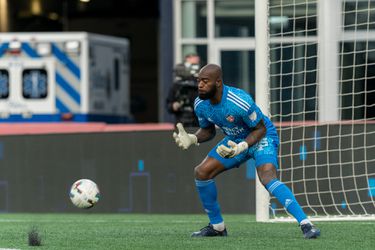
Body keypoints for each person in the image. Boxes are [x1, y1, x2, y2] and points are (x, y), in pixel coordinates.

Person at [172, 64, 321, 239]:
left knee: (267, 177)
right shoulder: (200, 104)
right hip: (234, 139)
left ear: (218, 82)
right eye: (199, 81)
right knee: (201, 172)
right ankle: (217, 227)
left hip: (261, 136)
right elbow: (208, 130)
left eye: (205, 81)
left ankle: (306, 225)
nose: (200, 85)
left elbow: (260, 129)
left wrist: (242, 146)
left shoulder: (239, 101)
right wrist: (193, 138)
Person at [166, 54, 200, 127]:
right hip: (180, 122)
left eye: (196, 65)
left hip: (198, 122)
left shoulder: (201, 85)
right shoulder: (177, 85)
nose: (194, 67)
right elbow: (168, 104)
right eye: (192, 65)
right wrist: (173, 106)